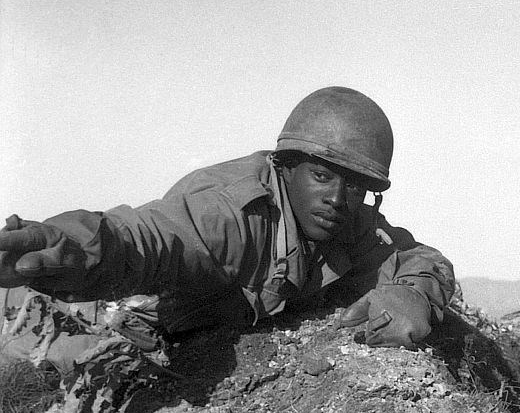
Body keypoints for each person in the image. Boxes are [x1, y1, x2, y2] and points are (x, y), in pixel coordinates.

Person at [0, 86, 456, 375]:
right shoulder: (231, 214)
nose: (338, 198)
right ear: (288, 165)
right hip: (103, 327)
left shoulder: (346, 221)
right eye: (322, 176)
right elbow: (148, 238)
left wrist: (414, 294)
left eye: (355, 187)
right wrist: (62, 247)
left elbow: (417, 257)